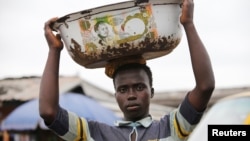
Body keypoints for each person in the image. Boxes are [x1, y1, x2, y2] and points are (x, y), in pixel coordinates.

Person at [39, 0, 215, 140]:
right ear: (115, 95)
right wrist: (54, 51)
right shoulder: (95, 134)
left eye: (139, 87)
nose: (131, 95)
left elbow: (205, 87)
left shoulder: (171, 127)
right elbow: (49, 112)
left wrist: (189, 24)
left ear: (151, 91)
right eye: (123, 89)